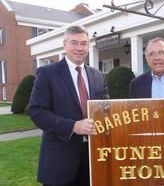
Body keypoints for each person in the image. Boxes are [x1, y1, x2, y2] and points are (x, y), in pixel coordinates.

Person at [29, 25, 109, 186]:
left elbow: (106, 107)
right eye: (74, 43)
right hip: (59, 161)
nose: (79, 48)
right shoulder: (47, 73)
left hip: (93, 158)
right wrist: (73, 126)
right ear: (65, 45)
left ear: (89, 46)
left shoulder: (98, 75)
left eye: (84, 43)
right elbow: (37, 111)